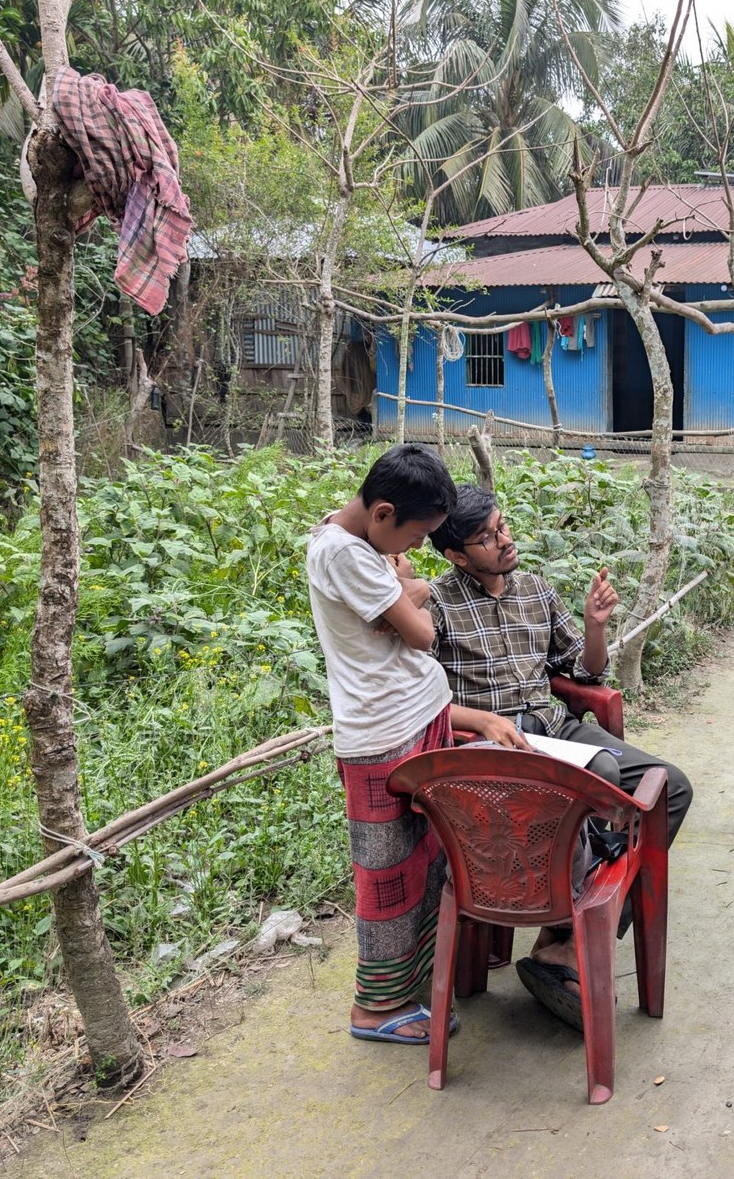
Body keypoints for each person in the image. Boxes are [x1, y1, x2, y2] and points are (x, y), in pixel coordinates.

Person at [427, 484, 694, 1032]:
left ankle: (571, 937)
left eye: (502, 526)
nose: (505, 540)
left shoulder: (535, 589)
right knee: (592, 786)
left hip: (555, 728)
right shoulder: (436, 606)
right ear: (457, 555)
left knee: (668, 787)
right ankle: (573, 937)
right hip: (491, 751)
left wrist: (595, 625)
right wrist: (480, 721)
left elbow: (587, 672)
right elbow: (418, 702)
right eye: (487, 538)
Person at [306, 443, 459, 1045]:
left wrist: (401, 588)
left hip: (410, 720)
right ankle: (376, 1007)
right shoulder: (344, 552)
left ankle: (412, 984)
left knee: (424, 860)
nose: (416, 549)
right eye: (416, 536)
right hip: (383, 733)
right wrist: (410, 594)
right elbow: (421, 635)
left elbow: (401, 606)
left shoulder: (359, 541)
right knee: (387, 875)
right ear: (383, 513)